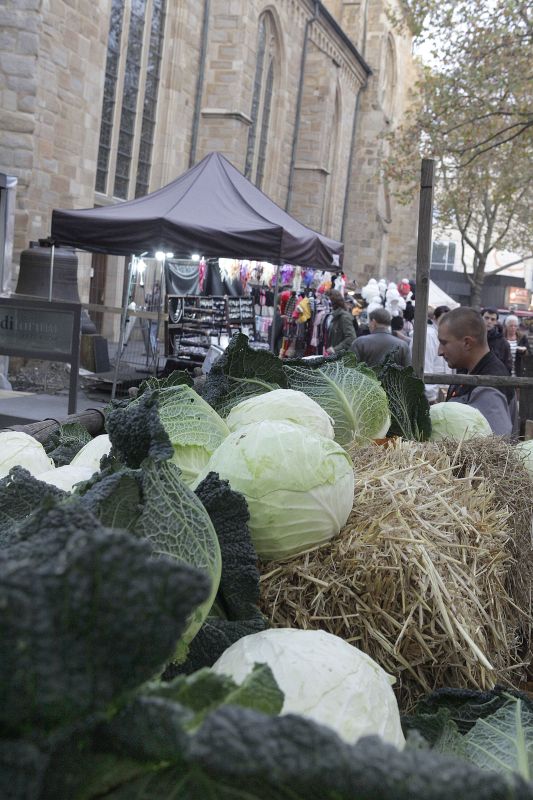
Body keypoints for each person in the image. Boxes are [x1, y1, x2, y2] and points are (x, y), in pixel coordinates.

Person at [438, 307, 516, 436]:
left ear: (467, 343)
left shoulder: (489, 387)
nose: (439, 351)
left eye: (444, 343)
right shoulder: (469, 371)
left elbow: (494, 444)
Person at [424, 305, 453, 404]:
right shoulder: (429, 335)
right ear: (434, 318)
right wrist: (431, 397)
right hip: (432, 393)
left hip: (444, 390)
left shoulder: (448, 335)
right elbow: (426, 365)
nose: (446, 322)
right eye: (443, 319)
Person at [324, 290, 356, 355]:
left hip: (341, 356)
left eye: (328, 301)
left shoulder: (344, 316)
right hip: (334, 355)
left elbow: (351, 338)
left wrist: (335, 349)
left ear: (333, 302)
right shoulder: (333, 315)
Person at [481, 307, 512, 373]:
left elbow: (507, 366)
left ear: (496, 322)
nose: (489, 321)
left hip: (494, 376)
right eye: (486, 318)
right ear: (481, 318)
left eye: (492, 319)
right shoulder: (473, 337)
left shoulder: (503, 342)